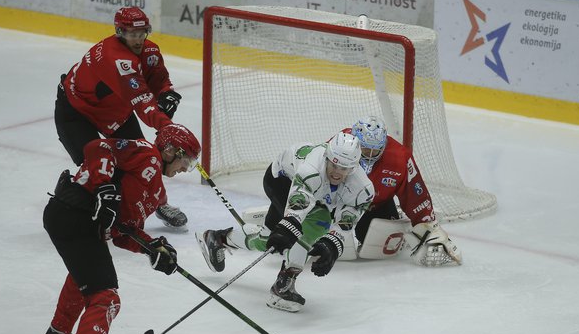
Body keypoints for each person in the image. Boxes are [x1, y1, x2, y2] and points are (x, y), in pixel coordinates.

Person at [36, 124, 201, 334]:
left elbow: (124, 231)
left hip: (77, 222)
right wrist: (104, 186)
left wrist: (154, 248)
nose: (186, 168)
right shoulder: (146, 153)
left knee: (86, 274)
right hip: (74, 213)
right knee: (106, 298)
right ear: (170, 149)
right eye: (185, 160)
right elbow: (97, 147)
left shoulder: (156, 192)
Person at [196, 132, 374, 313]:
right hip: (281, 181)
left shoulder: (363, 188)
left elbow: (347, 221)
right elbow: (299, 204)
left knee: (268, 239)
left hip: (317, 195)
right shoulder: (311, 169)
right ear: (327, 157)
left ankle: (217, 239)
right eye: (334, 164)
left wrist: (332, 245)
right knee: (316, 223)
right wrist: (288, 226)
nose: (338, 172)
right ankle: (284, 285)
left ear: (354, 168)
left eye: (345, 168)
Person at [54, 6, 189, 230]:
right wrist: (168, 128)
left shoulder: (150, 51)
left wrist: (166, 94)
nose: (137, 40)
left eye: (141, 33)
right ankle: (67, 194)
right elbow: (143, 103)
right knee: (95, 164)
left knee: (144, 159)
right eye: (131, 34)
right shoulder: (114, 57)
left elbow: (159, 80)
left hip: (115, 111)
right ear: (119, 32)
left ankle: (159, 203)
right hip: (76, 112)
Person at [347, 116, 461, 266]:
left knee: (376, 247)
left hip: (375, 204)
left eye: (375, 150)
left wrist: (427, 225)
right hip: (337, 202)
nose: (369, 155)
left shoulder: (399, 157)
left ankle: (397, 217)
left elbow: (415, 194)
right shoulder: (339, 146)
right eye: (365, 148)